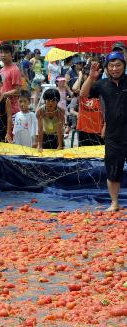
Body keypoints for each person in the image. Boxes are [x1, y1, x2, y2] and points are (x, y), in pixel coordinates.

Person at [80, 52, 127, 211]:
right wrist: (91, 77)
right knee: (113, 170)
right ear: (106, 68)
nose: (115, 69)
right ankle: (114, 203)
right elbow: (83, 94)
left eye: (118, 65)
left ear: (124, 66)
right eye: (111, 66)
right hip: (113, 135)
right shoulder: (102, 84)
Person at [0, 42, 23, 115]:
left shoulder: (14, 70)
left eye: (6, 52)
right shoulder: (2, 69)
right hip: (2, 107)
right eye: (1, 52)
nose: (3, 55)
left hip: (12, 110)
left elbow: (17, 91)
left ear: (12, 54)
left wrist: (2, 95)